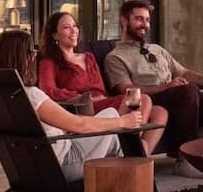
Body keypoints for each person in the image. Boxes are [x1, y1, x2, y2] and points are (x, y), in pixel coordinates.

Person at [104, 0, 203, 177]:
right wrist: (166, 86)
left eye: (147, 20)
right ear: (124, 21)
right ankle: (185, 159)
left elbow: (183, 72)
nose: (144, 24)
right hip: (153, 101)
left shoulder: (157, 49)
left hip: (182, 98)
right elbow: (126, 90)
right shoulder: (115, 57)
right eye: (139, 19)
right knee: (187, 91)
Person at [0, 30, 143, 181]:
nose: (35, 56)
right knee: (111, 115)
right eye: (32, 52)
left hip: (28, 168)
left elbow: (64, 123)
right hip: (63, 164)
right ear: (24, 57)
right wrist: (124, 122)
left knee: (114, 142)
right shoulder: (31, 95)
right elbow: (80, 125)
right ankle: (134, 186)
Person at [37, 11, 167, 157]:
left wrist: (102, 98)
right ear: (55, 35)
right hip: (83, 108)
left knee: (160, 112)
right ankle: (131, 151)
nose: (74, 30)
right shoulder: (48, 62)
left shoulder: (88, 57)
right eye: (67, 27)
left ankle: (139, 157)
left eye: (75, 26)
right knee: (143, 99)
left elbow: (100, 89)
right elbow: (48, 91)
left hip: (103, 102)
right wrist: (84, 97)